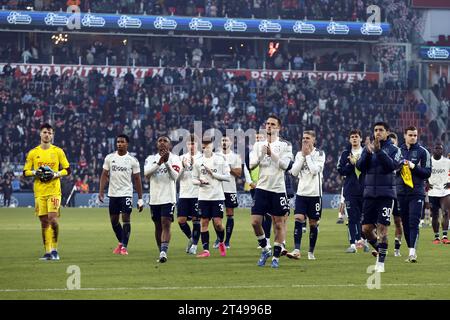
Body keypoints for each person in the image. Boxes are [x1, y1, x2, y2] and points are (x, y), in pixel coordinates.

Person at [356, 122, 403, 273]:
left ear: (387, 132)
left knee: (383, 228)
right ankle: (381, 249)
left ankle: (380, 263)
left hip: (386, 195)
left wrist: (379, 152)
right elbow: (360, 167)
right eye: (375, 130)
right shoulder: (367, 148)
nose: (377, 132)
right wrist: (368, 154)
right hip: (369, 194)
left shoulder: (394, 149)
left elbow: (392, 166)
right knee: (366, 229)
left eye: (381, 130)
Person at [22, 123, 71, 261]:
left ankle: (55, 250)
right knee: (44, 222)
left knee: (53, 219)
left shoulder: (58, 151)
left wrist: (55, 174)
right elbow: (25, 172)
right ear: (40, 134)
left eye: (50, 133)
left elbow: (67, 169)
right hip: (39, 192)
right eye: (45, 132)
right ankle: (47, 252)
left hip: (54, 190)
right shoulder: (33, 152)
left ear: (52, 135)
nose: (47, 135)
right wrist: (35, 173)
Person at [250, 115, 293, 268]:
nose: (269, 126)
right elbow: (251, 165)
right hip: (262, 188)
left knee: (279, 224)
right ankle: (265, 249)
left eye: (272, 124)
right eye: (267, 123)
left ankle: (275, 257)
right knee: (255, 222)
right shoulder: (258, 145)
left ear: (278, 127)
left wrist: (271, 154)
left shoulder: (285, 145)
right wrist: (262, 154)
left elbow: (286, 165)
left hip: (278, 189)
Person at [98, 134, 144, 256]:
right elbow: (104, 174)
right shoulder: (109, 158)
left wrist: (140, 198)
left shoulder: (132, 160)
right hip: (113, 194)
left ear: (127, 144)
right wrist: (101, 191)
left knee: (126, 218)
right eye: (118, 142)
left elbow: (137, 179)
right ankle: (121, 242)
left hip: (126, 194)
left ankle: (124, 246)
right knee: (114, 221)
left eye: (122, 142)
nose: (119, 144)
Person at [287, 130, 325, 260]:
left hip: (315, 194)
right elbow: (294, 172)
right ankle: (297, 250)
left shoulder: (320, 153)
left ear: (314, 140)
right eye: (303, 138)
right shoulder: (298, 154)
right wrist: (303, 156)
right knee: (298, 218)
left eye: (307, 138)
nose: (305, 140)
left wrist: (308, 155)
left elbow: (314, 171)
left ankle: (310, 252)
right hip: (302, 193)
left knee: (313, 223)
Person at [144, 136, 181, 263]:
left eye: (165, 141)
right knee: (157, 226)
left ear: (169, 145)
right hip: (155, 198)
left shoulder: (175, 159)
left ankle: (164, 252)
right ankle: (161, 250)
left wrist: (166, 162)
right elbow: (146, 175)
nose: (162, 143)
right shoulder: (150, 159)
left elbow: (175, 176)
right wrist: (159, 162)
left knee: (166, 223)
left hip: (168, 197)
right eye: (159, 140)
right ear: (156, 144)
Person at [396, 126, 431, 263]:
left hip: (417, 192)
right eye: (410, 135)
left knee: (413, 222)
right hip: (401, 192)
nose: (413, 137)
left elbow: (427, 172)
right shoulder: (398, 152)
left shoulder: (423, 152)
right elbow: (392, 168)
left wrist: (413, 166)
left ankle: (412, 253)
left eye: (415, 135)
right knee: (404, 223)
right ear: (404, 135)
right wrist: (398, 167)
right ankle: (411, 249)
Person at [192, 137, 230, 258]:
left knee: (218, 224)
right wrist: (200, 182)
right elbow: (193, 179)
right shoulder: (197, 161)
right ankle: (206, 250)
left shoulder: (220, 159)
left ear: (212, 146)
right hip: (203, 196)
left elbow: (227, 177)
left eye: (208, 146)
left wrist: (213, 174)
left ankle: (221, 241)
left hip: (217, 196)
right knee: (204, 222)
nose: (206, 149)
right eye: (204, 147)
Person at [337, 129, 369, 253]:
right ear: (349, 139)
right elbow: (341, 171)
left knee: (364, 219)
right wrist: (350, 164)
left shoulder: (366, 152)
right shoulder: (345, 154)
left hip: (365, 190)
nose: (354, 139)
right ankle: (353, 245)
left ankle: (364, 241)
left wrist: (357, 163)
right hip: (350, 190)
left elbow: (369, 168)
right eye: (352, 137)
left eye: (356, 136)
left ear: (361, 139)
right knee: (352, 218)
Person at [214, 136, 242, 249]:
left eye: (226, 140)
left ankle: (227, 241)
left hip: (230, 189)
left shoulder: (235, 157)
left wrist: (228, 168)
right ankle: (219, 238)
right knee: (216, 217)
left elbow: (239, 173)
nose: (224, 142)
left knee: (230, 214)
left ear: (230, 142)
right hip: (216, 189)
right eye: (222, 140)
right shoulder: (215, 156)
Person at [177, 134, 202, 255]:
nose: (191, 146)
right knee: (181, 220)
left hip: (197, 194)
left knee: (196, 221)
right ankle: (191, 239)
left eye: (193, 143)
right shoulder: (181, 158)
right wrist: (182, 167)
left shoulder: (201, 158)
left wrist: (194, 165)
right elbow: (176, 177)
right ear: (186, 145)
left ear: (198, 145)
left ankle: (195, 246)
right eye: (189, 143)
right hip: (184, 194)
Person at [427, 142, 450, 244]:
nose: (439, 150)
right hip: (432, 191)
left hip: (445, 191)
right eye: (437, 148)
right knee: (435, 215)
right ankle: (436, 237)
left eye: (440, 149)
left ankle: (445, 236)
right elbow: (423, 172)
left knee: (446, 212)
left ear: (442, 150)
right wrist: (426, 182)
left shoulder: (447, 161)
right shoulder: (428, 162)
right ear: (433, 150)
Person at [388, 132, 404, 257]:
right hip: (386, 192)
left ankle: (397, 249)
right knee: (382, 222)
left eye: (394, 143)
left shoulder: (401, 156)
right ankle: (382, 246)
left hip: (398, 193)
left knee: (398, 222)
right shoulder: (383, 157)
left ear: (397, 143)